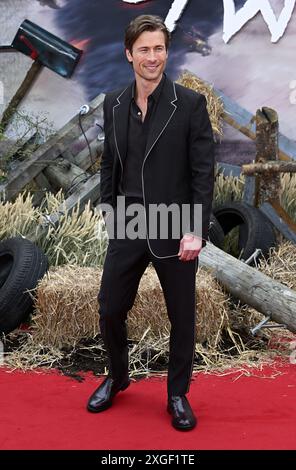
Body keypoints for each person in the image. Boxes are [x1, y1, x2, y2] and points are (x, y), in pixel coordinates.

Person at [87, 14, 215, 431]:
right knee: (110, 307)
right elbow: (109, 163)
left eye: (159, 48)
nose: (153, 57)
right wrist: (110, 211)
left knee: (182, 315)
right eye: (144, 48)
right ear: (129, 54)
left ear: (166, 52)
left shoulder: (189, 104)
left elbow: (202, 171)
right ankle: (118, 376)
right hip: (129, 223)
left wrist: (195, 228)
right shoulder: (114, 103)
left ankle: (177, 394)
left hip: (176, 224)